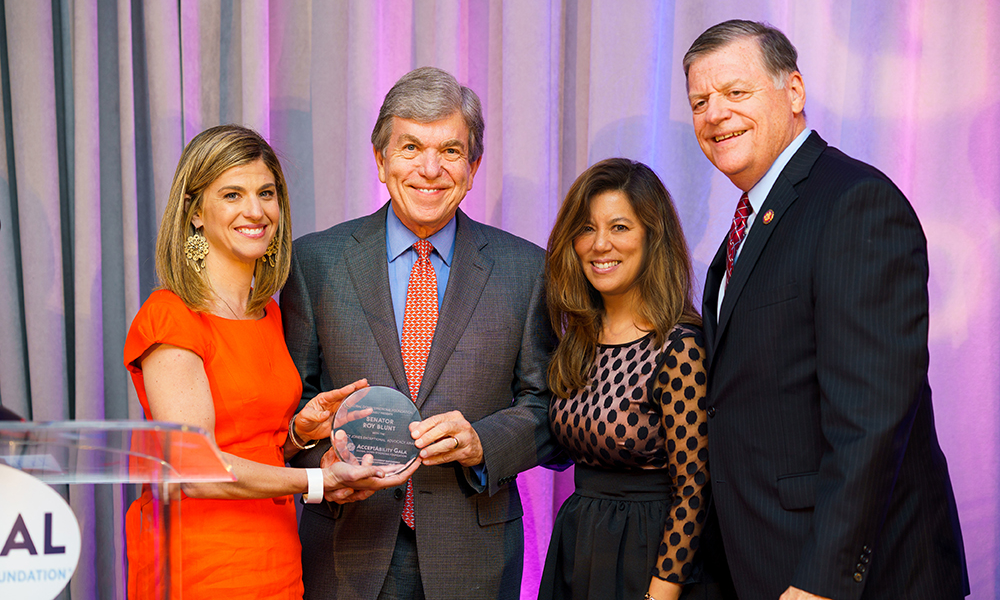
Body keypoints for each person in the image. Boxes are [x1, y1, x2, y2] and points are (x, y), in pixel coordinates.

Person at [683, 20, 969, 600]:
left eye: (736, 93)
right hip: (765, 558)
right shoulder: (754, 221)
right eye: (699, 101)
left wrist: (822, 582)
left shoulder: (854, 204)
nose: (715, 114)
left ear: (793, 92)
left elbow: (872, 418)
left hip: (847, 579)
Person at [280, 67, 556, 600]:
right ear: (380, 161)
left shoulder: (527, 270)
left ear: (473, 167)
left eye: (451, 151)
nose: (430, 169)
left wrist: (483, 444)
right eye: (410, 147)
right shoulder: (313, 263)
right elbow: (292, 408)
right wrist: (327, 465)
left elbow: (546, 408)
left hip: (473, 556)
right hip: (347, 549)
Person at [123, 125, 412, 599]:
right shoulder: (170, 316)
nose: (255, 211)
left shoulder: (269, 314)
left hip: (275, 558)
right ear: (195, 213)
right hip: (197, 563)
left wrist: (299, 431)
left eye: (266, 193)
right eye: (232, 194)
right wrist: (317, 480)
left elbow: (253, 445)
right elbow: (194, 469)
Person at [537, 158, 709, 600]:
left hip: (647, 553)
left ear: (653, 237)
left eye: (619, 227)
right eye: (587, 229)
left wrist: (662, 590)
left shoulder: (679, 347)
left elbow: (694, 489)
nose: (599, 245)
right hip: (578, 545)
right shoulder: (578, 339)